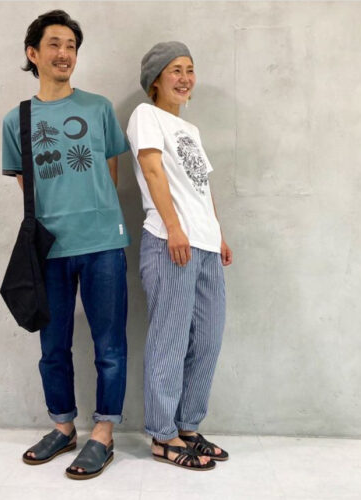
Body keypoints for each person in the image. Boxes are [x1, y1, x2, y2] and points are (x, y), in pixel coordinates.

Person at [1, 10, 130, 480]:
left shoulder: (98, 108)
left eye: (71, 46)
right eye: (54, 44)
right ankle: (63, 426)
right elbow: (26, 184)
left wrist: (96, 214)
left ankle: (104, 433)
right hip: (49, 249)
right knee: (52, 346)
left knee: (109, 344)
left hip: (103, 243)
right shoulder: (17, 119)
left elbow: (110, 172)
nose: (64, 54)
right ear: (33, 54)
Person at [126, 41, 232, 471]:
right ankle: (162, 434)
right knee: (169, 340)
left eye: (190, 69)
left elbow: (202, 187)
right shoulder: (145, 116)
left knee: (207, 338)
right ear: (155, 80)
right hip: (169, 241)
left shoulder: (191, 130)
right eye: (175, 70)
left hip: (204, 245)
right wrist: (173, 227)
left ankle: (187, 426)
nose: (185, 78)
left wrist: (218, 233)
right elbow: (153, 171)